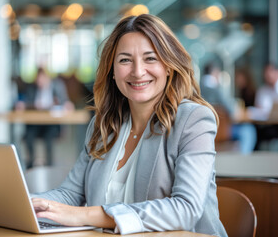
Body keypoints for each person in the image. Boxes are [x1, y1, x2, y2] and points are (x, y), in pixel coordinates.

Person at [31, 14, 227, 236]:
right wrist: (25, 202)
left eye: (150, 58)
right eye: (125, 60)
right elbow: (69, 195)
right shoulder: (103, 123)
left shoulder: (193, 120)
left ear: (169, 66)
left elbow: (185, 209)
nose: (137, 71)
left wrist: (84, 215)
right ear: (112, 71)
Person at [15, 67, 74, 168]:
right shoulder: (32, 88)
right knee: (28, 136)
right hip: (35, 124)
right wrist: (24, 105)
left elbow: (65, 101)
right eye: (38, 79)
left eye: (42, 79)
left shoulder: (57, 86)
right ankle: (31, 164)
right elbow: (26, 102)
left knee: (49, 138)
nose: (39, 82)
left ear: (47, 78)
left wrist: (66, 104)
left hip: (51, 124)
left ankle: (50, 165)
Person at [200, 62, 257, 154]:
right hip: (220, 131)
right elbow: (233, 113)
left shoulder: (196, 89)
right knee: (248, 130)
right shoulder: (217, 90)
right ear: (214, 73)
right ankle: (244, 158)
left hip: (202, 130)